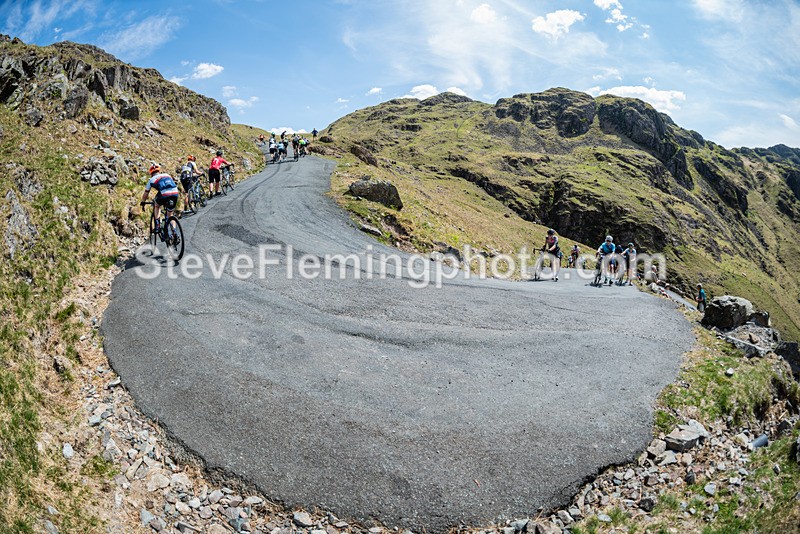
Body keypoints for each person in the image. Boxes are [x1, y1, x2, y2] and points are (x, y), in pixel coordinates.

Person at [140, 164, 179, 231]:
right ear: (159, 171)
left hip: (164, 194)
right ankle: (174, 233)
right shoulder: (167, 175)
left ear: (151, 174)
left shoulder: (151, 180)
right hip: (175, 193)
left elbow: (146, 193)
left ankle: (157, 225)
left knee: (157, 205)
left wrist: (143, 202)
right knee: (170, 214)